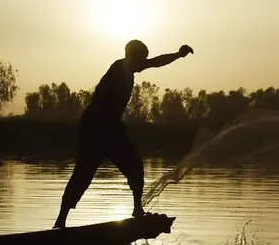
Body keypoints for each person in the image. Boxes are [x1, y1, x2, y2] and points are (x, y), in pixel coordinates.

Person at [53, 39, 194, 228]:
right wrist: (103, 125)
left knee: (135, 165)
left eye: (144, 59)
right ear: (131, 55)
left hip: (111, 129)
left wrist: (178, 55)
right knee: (83, 175)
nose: (143, 62)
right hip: (95, 129)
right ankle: (60, 221)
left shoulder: (130, 69)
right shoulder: (118, 69)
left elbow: (156, 61)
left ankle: (137, 209)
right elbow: (99, 99)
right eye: (141, 58)